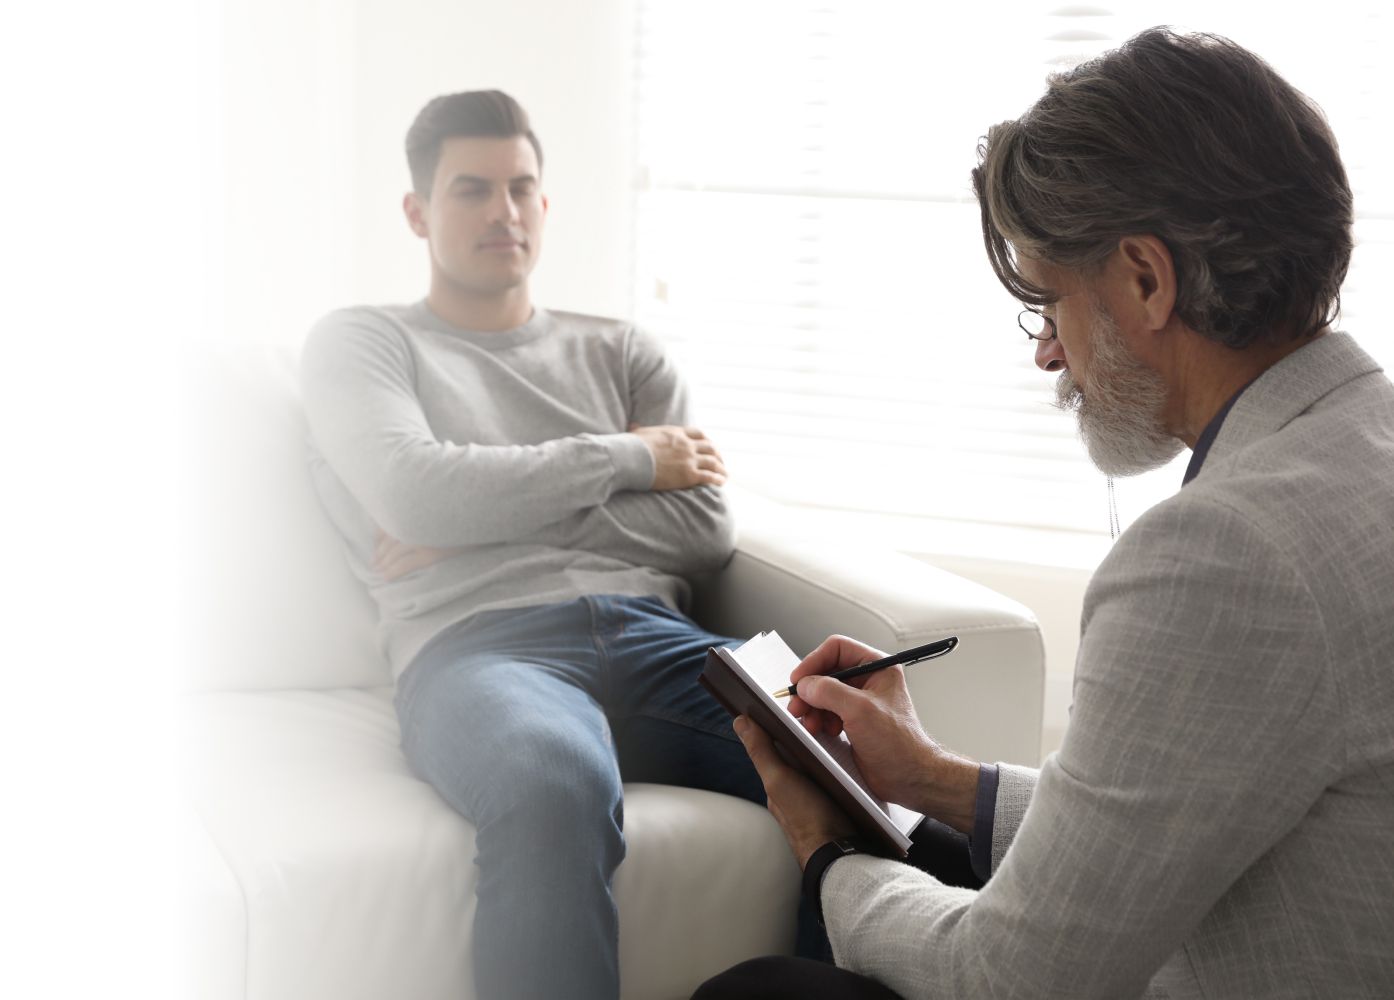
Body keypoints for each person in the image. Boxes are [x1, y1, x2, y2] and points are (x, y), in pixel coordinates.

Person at [694, 27, 1394, 999]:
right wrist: (930, 777)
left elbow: (1008, 977)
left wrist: (829, 853)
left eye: (1046, 300)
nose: (1045, 353)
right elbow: (1159, 824)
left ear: (1145, 279)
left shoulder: (1224, 555)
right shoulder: (1363, 443)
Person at [298, 89, 768, 1000]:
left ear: (545, 205)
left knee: (842, 739)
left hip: (655, 633)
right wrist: (629, 457)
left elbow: (706, 531)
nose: (502, 212)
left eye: (521, 188)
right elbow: (412, 494)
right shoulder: (364, 343)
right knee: (552, 785)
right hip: (478, 649)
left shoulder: (625, 352)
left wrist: (471, 507)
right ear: (416, 211)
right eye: (470, 189)